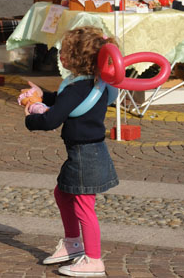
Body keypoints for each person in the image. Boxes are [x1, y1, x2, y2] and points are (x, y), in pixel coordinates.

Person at [21, 26, 118, 277]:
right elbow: (63, 101)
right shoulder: (86, 83)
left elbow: (52, 120)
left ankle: (94, 260)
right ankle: (73, 244)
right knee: (63, 194)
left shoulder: (78, 88)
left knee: (84, 206)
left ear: (73, 58)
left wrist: (32, 113)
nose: (60, 54)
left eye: (64, 51)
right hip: (84, 152)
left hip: (87, 154)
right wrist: (44, 95)